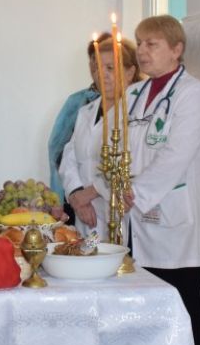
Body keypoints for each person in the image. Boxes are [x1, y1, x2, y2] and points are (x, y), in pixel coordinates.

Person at [125, 15, 200, 345]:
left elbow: (176, 155)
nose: (143, 51)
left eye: (153, 44)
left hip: (176, 223)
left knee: (180, 311)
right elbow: (118, 150)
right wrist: (121, 187)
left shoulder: (193, 95)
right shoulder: (135, 94)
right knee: (146, 313)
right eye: (140, 43)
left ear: (177, 49)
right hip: (139, 220)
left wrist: (135, 192)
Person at [59, 33, 138, 239]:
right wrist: (76, 195)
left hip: (120, 216)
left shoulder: (136, 114)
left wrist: (91, 192)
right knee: (86, 256)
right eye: (97, 68)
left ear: (130, 72)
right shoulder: (86, 111)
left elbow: (131, 163)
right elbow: (69, 157)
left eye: (110, 68)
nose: (102, 75)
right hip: (85, 216)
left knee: (117, 256)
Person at [47, 50, 100, 211]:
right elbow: (59, 151)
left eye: (109, 65)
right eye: (93, 59)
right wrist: (74, 192)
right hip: (75, 196)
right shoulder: (78, 102)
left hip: (109, 201)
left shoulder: (131, 105)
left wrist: (93, 191)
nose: (97, 66)